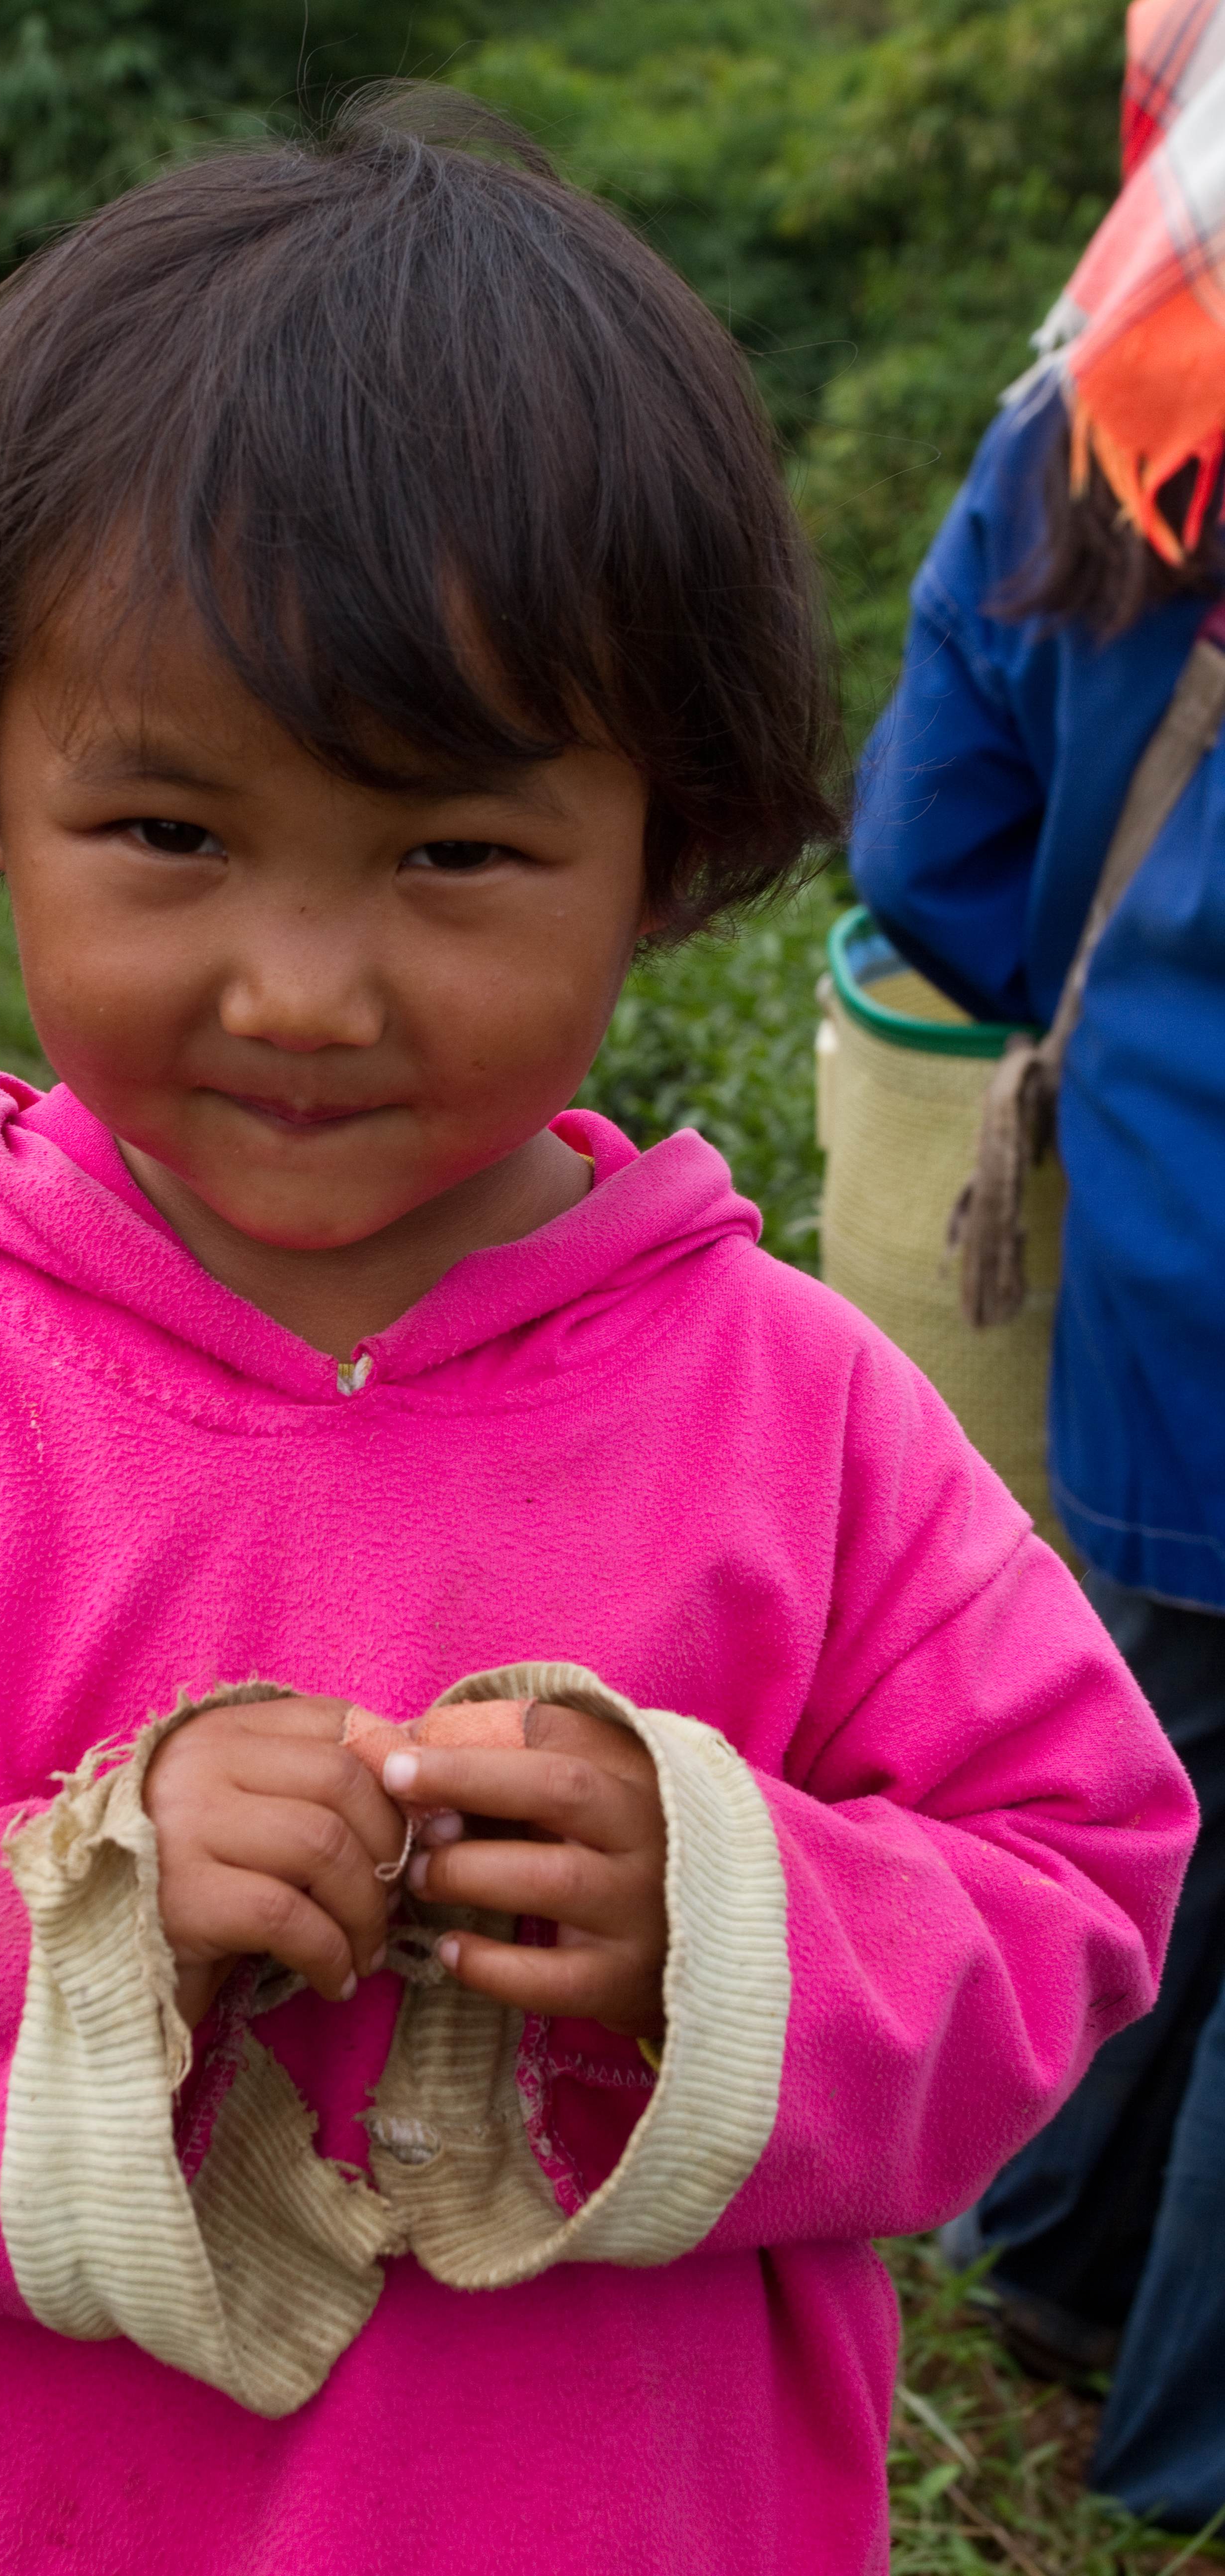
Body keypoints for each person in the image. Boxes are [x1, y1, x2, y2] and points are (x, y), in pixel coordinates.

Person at [0, 89, 1197, 2576]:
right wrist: (71, 1919)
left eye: (457, 853)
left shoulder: (805, 1415)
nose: (301, 986)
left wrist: (713, 1925)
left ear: (670, 846)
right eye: (169, 835)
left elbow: (1076, 1877)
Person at [849, 0, 1225, 2530]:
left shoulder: (1097, 405)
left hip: (1163, 1250)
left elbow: (939, 863)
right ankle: (1191, 2439)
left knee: (1161, 1781)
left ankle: (1054, 2270)